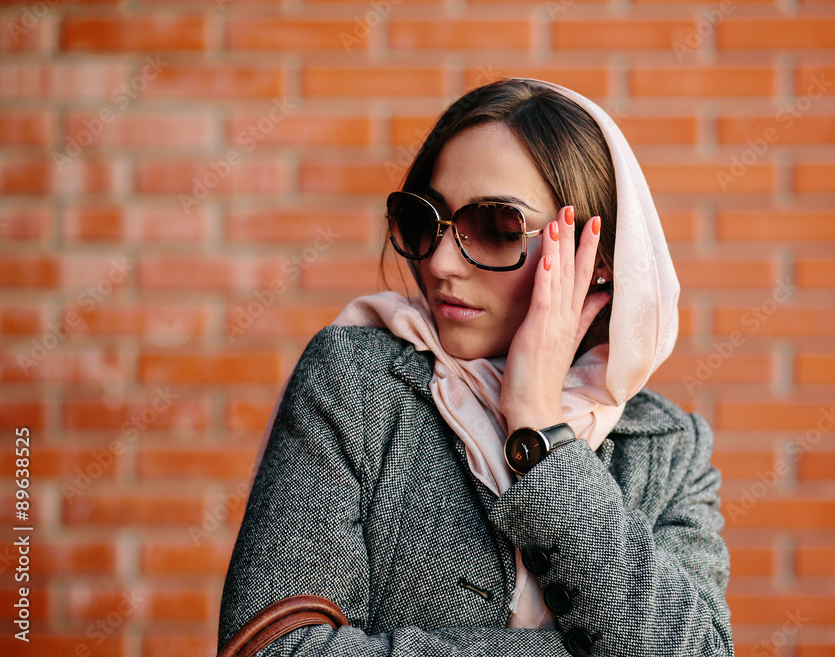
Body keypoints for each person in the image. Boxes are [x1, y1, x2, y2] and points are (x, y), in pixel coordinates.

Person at [218, 78, 734, 657]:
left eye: (496, 228)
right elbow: (272, 649)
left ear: (599, 263)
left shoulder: (668, 448)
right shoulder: (355, 382)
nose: (439, 264)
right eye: (427, 219)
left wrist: (540, 431)